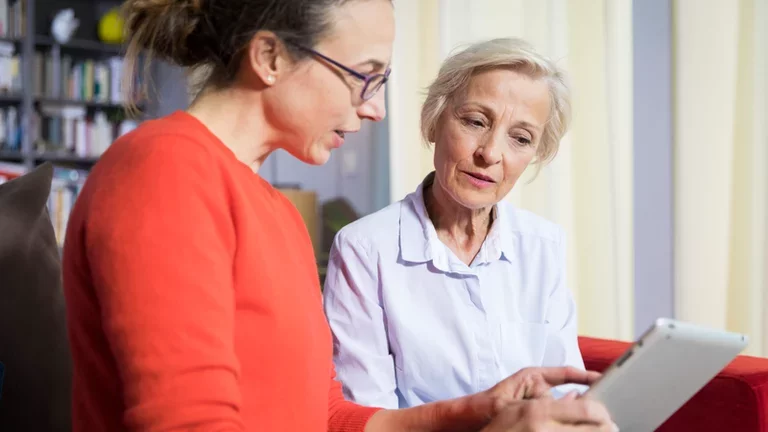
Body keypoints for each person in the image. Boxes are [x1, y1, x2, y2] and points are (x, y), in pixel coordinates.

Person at [61, 1, 614, 431]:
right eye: (362, 75)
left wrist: (475, 412)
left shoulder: (277, 215)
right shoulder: (166, 171)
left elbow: (327, 418)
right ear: (271, 58)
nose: (373, 106)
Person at [324, 37, 587, 409]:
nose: (491, 154)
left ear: (536, 154)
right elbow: (368, 413)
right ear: (434, 121)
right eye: (476, 121)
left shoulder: (543, 244)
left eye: (521, 138)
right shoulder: (364, 249)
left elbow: (562, 394)